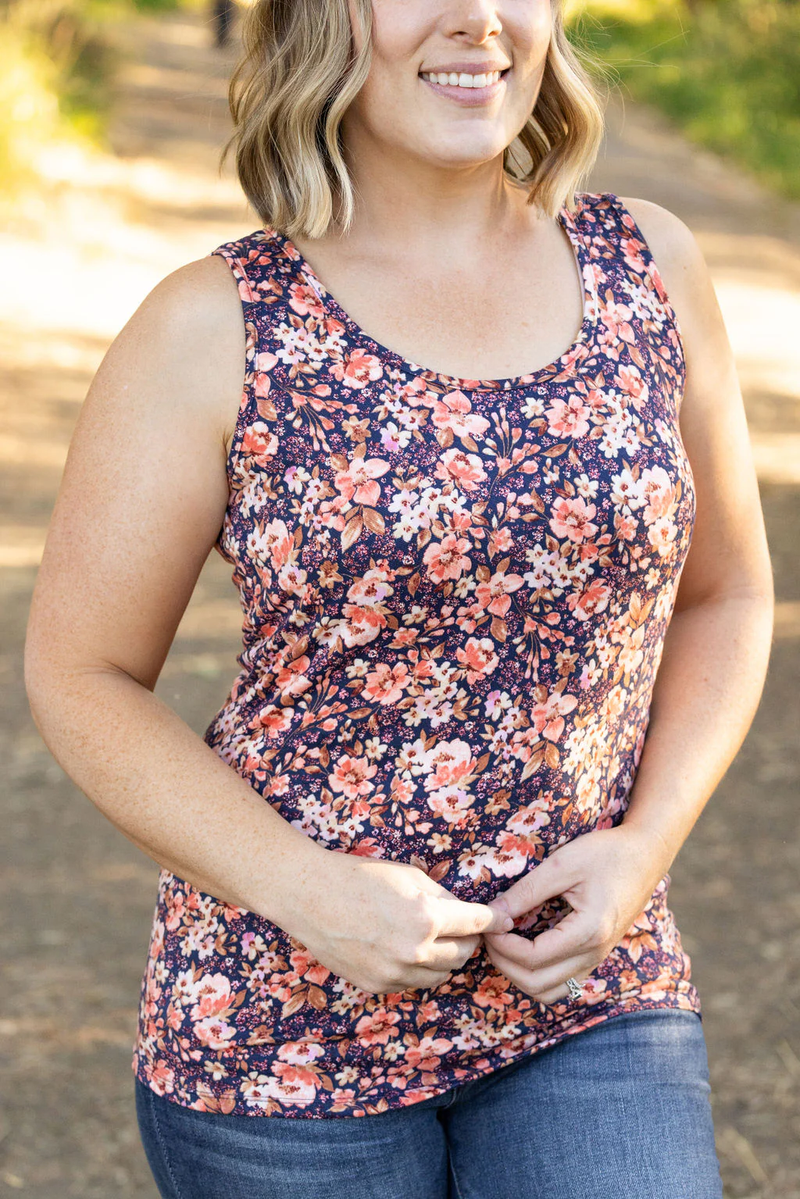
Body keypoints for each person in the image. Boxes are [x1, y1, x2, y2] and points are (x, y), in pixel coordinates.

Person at [24, 0, 774, 1196]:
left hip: (587, 998)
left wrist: (643, 847)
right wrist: (303, 887)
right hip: (280, 1040)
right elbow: (79, 673)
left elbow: (727, 596)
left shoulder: (649, 267)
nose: (477, 17)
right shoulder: (212, 327)